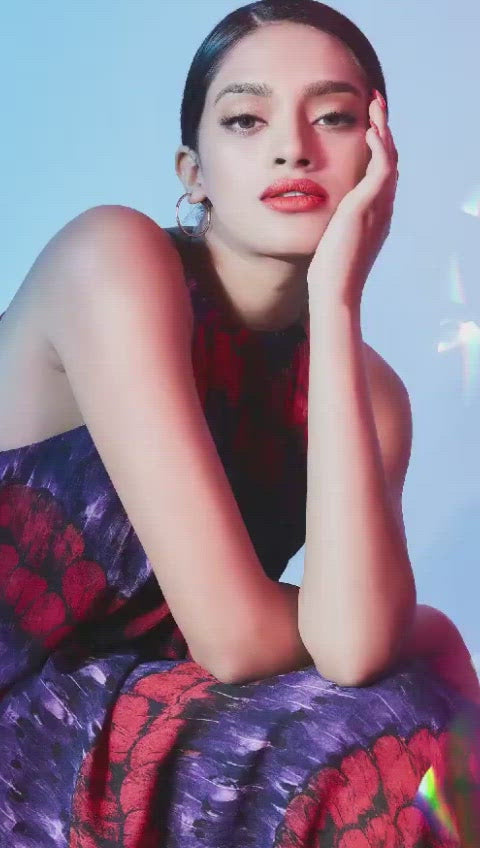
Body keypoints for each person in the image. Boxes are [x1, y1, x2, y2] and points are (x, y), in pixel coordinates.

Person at [0, 1, 479, 844]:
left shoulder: (367, 393)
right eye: (246, 120)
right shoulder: (114, 259)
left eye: (334, 117)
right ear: (193, 172)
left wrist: (337, 301)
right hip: (23, 709)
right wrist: (419, 629)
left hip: (150, 700)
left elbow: (352, 649)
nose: (293, 148)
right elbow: (236, 640)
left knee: (421, 733)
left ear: (379, 156)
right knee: (384, 734)